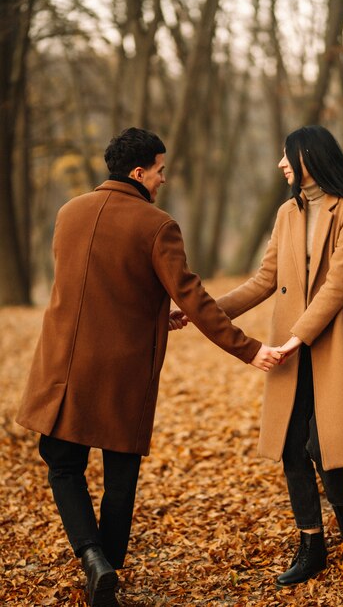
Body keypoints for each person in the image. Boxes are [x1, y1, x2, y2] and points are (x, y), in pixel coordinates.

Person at [16, 127, 282, 607]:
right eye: (159, 169)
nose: (163, 178)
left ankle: (92, 558)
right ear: (139, 173)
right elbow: (194, 298)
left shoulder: (68, 212)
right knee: (120, 478)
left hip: (63, 365)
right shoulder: (158, 226)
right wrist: (248, 349)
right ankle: (107, 569)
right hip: (122, 370)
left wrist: (158, 310)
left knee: (62, 464)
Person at [194, 125, 343, 586]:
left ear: (310, 156)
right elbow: (265, 279)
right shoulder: (287, 212)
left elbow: (338, 284)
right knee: (292, 442)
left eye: (287, 156)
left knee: (325, 441)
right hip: (295, 345)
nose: (281, 164)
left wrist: (297, 336)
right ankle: (312, 545)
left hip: (333, 341)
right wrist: (201, 310)